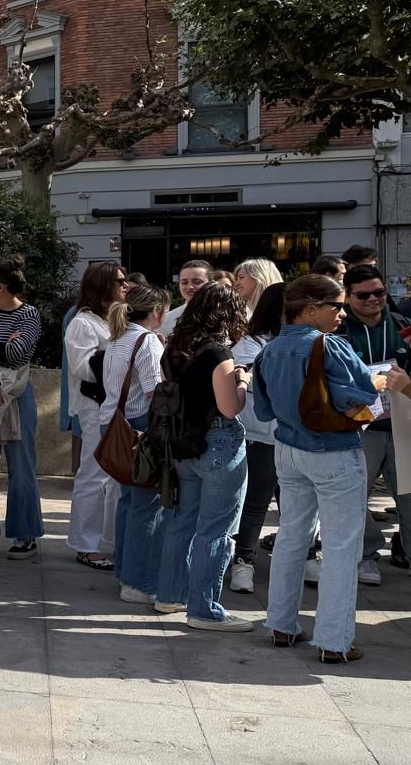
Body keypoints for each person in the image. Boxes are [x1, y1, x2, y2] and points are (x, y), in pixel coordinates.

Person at [253, 274, 382, 663]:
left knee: (293, 535)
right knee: (342, 547)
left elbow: (263, 408)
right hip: (334, 451)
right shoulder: (330, 347)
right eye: (336, 306)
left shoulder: (270, 349)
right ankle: (333, 641)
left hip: (288, 448)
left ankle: (281, 624)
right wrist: (377, 380)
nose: (341, 313)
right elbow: (358, 398)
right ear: (311, 307)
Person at [152, 283, 253, 631]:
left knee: (182, 521)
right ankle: (204, 609)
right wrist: (242, 382)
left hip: (182, 445)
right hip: (218, 444)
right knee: (216, 530)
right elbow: (229, 408)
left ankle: (169, 595)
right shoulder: (218, 355)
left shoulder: (173, 350)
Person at [98, 283, 171, 605]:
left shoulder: (118, 338)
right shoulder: (148, 342)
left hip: (113, 423)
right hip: (138, 426)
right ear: (157, 311)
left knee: (129, 502)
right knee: (146, 506)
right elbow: (156, 392)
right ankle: (137, 581)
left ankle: (125, 573)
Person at [338, 264, 410, 584]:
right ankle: (367, 555)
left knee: (409, 496)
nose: (373, 300)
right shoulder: (338, 330)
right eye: (363, 294)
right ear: (348, 296)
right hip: (359, 428)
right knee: (356, 497)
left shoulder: (402, 324)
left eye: (379, 292)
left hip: (403, 426)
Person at [64, 261, 128, 570]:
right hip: (95, 406)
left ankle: (109, 540)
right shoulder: (83, 323)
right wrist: (120, 355)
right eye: (118, 281)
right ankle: (86, 544)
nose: (124, 286)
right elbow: (83, 366)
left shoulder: (117, 319)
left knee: (115, 477)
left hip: (118, 407)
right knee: (93, 473)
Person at [0, 256, 44, 558]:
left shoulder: (29, 314)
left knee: (22, 468)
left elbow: (18, 354)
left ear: (1, 287)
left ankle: (25, 534)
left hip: (17, 398)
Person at [229, 283, 285, 593]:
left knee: (295, 505)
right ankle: (243, 560)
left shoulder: (310, 341)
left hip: (294, 438)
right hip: (259, 437)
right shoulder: (249, 344)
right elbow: (259, 385)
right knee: (256, 502)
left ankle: (304, 557)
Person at [160, 260, 211, 338]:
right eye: (184, 282)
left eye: (197, 282)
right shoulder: (167, 319)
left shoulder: (224, 314)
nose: (189, 287)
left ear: (211, 283)